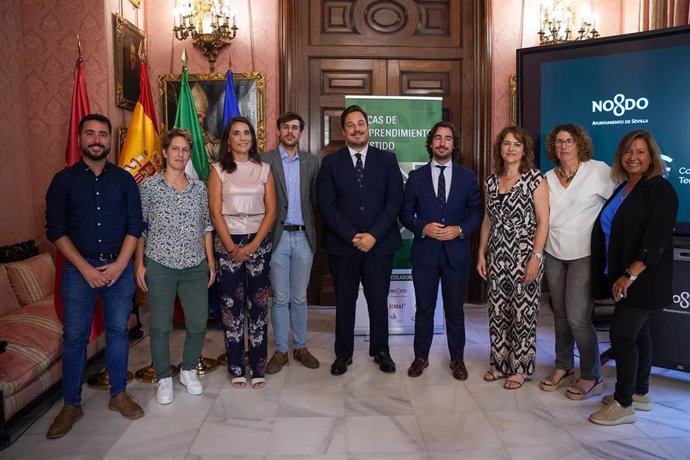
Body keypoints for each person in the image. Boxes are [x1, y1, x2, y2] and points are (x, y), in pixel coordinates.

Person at [45, 114, 145, 439]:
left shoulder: (125, 181)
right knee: (74, 338)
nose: (98, 139)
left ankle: (118, 394)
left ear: (109, 140)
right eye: (90, 134)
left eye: (103, 134)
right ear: (79, 140)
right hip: (78, 271)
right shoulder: (63, 181)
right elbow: (56, 231)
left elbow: (135, 226)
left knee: (118, 332)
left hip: (119, 268)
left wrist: (120, 265)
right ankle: (71, 404)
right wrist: (85, 268)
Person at [589, 130, 678, 426]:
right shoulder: (625, 186)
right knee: (639, 334)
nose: (633, 157)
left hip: (643, 277)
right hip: (624, 275)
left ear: (651, 155)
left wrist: (630, 273)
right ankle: (639, 392)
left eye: (640, 151)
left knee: (622, 335)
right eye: (628, 151)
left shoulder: (659, 189)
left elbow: (657, 238)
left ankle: (623, 403)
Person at [317, 104, 403, 376]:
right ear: (344, 131)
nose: (357, 128)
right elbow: (326, 205)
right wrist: (353, 236)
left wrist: (373, 235)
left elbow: (395, 201)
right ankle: (343, 354)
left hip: (380, 245)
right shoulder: (330, 163)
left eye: (361, 123)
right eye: (351, 125)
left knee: (379, 301)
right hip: (344, 247)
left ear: (368, 127)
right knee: (345, 302)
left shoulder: (387, 160)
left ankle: (381, 351)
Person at [134, 128, 216, 405]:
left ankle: (189, 369)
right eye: (175, 149)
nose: (180, 154)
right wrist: (139, 265)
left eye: (185, 150)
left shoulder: (199, 188)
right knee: (160, 326)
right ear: (165, 153)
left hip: (194, 265)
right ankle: (164, 377)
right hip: (160, 264)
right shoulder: (148, 187)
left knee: (197, 322)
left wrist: (210, 263)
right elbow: (140, 230)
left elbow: (206, 226)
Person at [538, 124, 616, 399]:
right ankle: (563, 367)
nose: (564, 146)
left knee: (578, 317)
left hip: (584, 255)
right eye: (558, 142)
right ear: (553, 147)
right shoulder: (547, 177)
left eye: (569, 141)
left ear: (580, 144)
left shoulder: (598, 171)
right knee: (559, 313)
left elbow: (619, 203)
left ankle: (591, 375)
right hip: (554, 253)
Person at [400, 121, 482, 380]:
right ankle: (420, 357)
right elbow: (405, 214)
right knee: (424, 309)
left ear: (453, 144)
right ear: (431, 143)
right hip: (425, 254)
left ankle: (457, 359)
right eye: (438, 138)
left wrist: (459, 230)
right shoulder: (416, 177)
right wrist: (423, 227)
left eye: (447, 138)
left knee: (455, 310)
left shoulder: (467, 176)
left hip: (456, 254)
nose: (442, 143)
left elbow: (477, 212)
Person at [476, 126, 549, 390]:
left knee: (522, 312)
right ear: (500, 148)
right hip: (497, 254)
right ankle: (499, 364)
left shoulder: (535, 179)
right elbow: (487, 219)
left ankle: (520, 368)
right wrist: (481, 252)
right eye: (506, 144)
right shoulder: (491, 181)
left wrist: (536, 257)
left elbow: (543, 222)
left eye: (517, 144)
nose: (511, 149)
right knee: (497, 311)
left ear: (524, 149)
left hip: (524, 255)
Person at [209, 116, 276, 389]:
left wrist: (251, 246)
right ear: (229, 140)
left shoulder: (264, 169)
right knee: (231, 307)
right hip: (227, 241)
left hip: (258, 241)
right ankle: (236, 366)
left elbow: (272, 211)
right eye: (236, 133)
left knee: (258, 306)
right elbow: (215, 212)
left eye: (246, 133)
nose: (242, 138)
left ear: (252, 137)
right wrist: (231, 247)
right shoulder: (217, 170)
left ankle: (258, 367)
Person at [262, 112, 321, 374]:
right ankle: (281, 351)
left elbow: (318, 199)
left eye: (295, 128)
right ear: (278, 131)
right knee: (280, 297)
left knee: (299, 297)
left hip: (304, 237)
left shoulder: (312, 162)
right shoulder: (265, 160)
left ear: (301, 132)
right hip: (278, 236)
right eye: (285, 127)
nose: (290, 131)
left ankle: (300, 346)